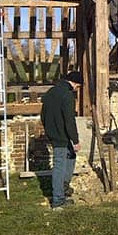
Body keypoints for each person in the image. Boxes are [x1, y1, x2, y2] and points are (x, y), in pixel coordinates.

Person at [41, 71, 82, 209]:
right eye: (78, 86)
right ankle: (58, 200)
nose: (77, 89)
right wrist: (75, 141)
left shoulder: (50, 92)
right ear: (75, 83)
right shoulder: (67, 95)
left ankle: (63, 186)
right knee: (59, 166)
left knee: (71, 157)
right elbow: (69, 121)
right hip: (61, 136)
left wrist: (48, 130)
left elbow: (43, 115)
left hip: (53, 133)